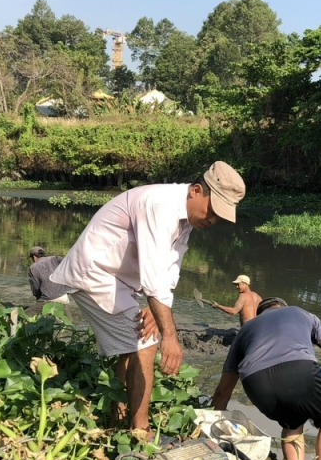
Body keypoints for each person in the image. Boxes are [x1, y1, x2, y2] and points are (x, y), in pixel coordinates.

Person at [50, 161, 245, 432]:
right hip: (94, 273)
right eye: (212, 211)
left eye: (219, 217)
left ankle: (118, 419)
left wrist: (157, 310)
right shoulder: (159, 206)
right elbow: (153, 275)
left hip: (117, 280)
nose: (213, 220)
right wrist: (170, 335)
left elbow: (170, 267)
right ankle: (139, 429)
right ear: (197, 191)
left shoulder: (186, 219)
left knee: (134, 341)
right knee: (147, 340)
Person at [211, 297, 321, 460]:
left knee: (291, 423)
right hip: (298, 369)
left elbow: (223, 390)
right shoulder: (301, 313)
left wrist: (212, 427)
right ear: (282, 307)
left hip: (256, 383)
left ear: (261, 314)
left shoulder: (246, 329)